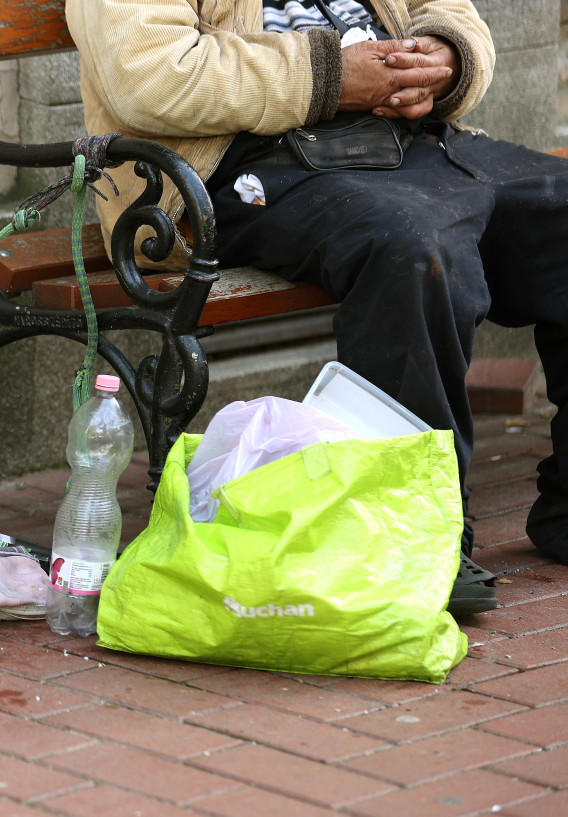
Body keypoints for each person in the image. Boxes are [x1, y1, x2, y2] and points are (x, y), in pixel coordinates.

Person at [65, 0, 568, 616]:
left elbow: (448, 13)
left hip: (400, 141)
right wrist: (331, 77)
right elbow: (151, 73)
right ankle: (411, 537)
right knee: (408, 246)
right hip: (231, 166)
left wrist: (444, 56)